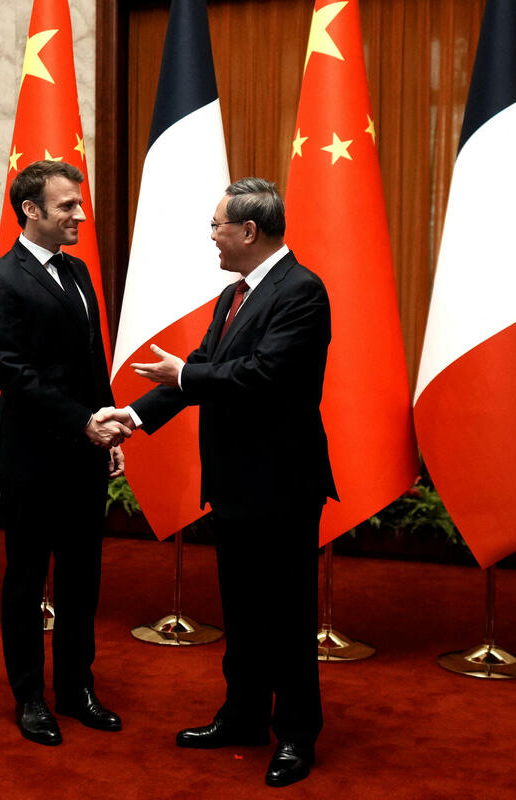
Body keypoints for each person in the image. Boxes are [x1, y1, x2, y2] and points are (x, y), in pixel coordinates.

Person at [104, 178, 336, 787]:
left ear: (249, 231)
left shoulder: (302, 291)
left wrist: (185, 376)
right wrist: (133, 416)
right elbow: (203, 371)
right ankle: (243, 716)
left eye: (217, 225)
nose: (212, 236)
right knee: (243, 610)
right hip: (233, 482)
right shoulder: (233, 295)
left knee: (286, 616)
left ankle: (296, 735)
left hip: (282, 485)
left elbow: (263, 376)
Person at [0, 160, 129, 747]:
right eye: (67, 206)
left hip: (86, 453)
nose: (80, 215)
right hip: (33, 457)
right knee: (27, 579)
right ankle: (30, 697)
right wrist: (84, 422)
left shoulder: (78, 270)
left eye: (79, 204)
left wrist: (109, 426)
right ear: (31, 210)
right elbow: (14, 375)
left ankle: (76, 688)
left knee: (83, 577)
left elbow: (91, 359)